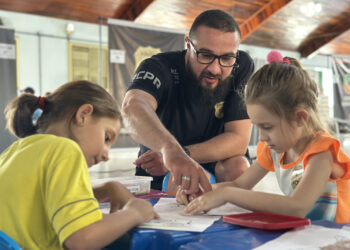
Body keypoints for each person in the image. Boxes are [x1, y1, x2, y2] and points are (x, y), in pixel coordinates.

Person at [177, 54, 350, 223]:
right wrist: (205, 191)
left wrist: (226, 194)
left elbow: (297, 207)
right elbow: (239, 185)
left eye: (267, 127)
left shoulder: (322, 152)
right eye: (258, 127)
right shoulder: (275, 149)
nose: (261, 137)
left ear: (299, 118)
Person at [0, 80, 158, 249]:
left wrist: (104, 190)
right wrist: (134, 213)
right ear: (83, 114)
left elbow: (43, 201)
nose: (106, 155)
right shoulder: (65, 149)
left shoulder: (15, 150)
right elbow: (82, 238)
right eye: (106, 137)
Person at [122, 9, 254, 194]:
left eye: (226, 57)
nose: (215, 69)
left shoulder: (241, 65)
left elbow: (239, 139)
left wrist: (182, 153)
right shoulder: (159, 67)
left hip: (213, 160)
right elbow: (132, 106)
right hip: (161, 164)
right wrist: (169, 151)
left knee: (239, 166)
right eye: (205, 55)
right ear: (188, 44)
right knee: (175, 184)